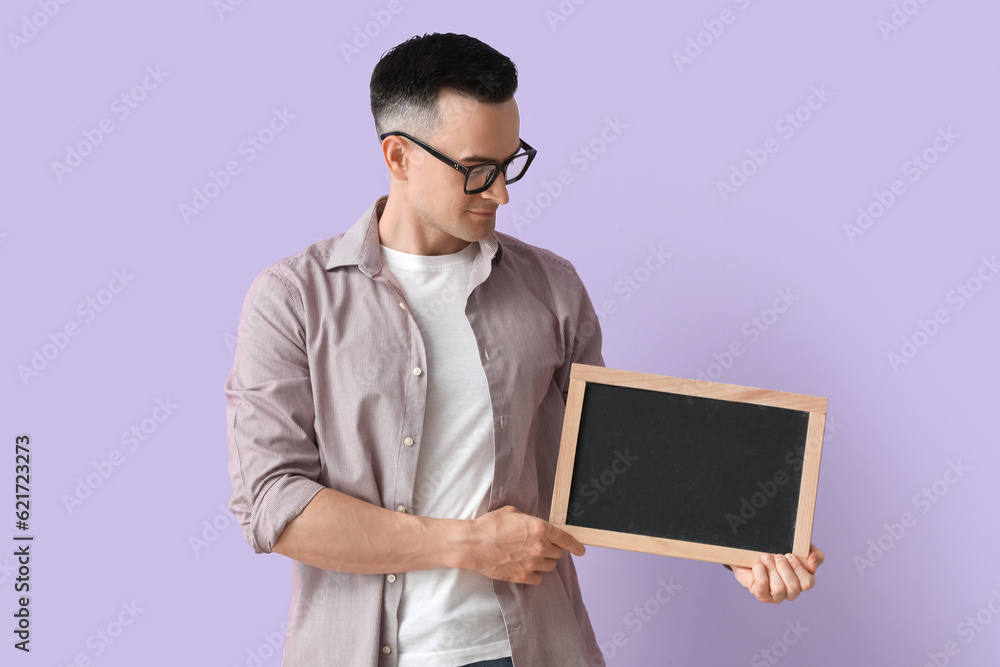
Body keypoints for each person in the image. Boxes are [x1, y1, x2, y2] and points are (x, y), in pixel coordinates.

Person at [224, 32, 823, 667]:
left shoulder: (552, 288)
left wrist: (734, 539)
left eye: (512, 162)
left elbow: (609, 461)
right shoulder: (292, 299)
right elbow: (273, 504)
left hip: (531, 648)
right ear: (398, 156)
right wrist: (467, 545)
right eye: (477, 169)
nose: (502, 192)